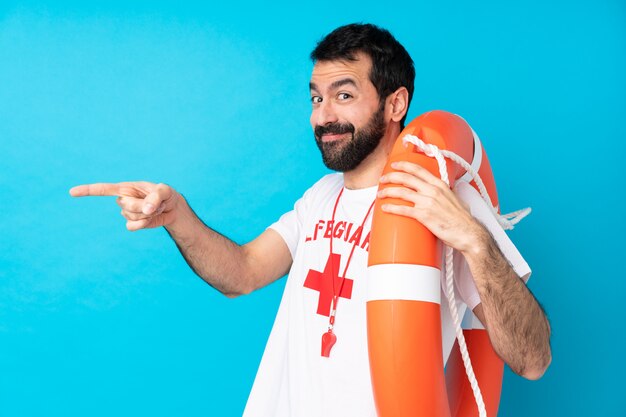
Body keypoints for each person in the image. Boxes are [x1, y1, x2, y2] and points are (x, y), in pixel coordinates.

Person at [70, 23, 551, 416]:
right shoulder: (319, 198)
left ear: (395, 104)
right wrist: (178, 215)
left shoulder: (442, 204)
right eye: (316, 98)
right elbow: (241, 273)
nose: (322, 117)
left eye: (344, 95)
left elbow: (532, 361)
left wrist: (473, 238)